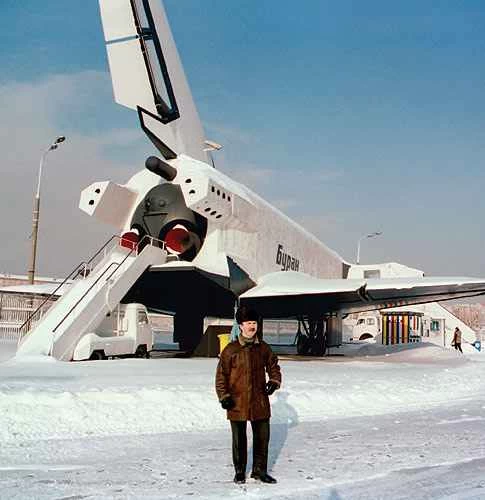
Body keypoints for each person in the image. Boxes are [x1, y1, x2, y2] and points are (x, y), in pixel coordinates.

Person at [215, 306, 282, 484]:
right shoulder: (231, 350)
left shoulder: (263, 348)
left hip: (259, 400)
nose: (252, 326)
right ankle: (239, 471)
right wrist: (224, 396)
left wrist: (274, 381)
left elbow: (274, 366)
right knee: (239, 439)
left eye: (254, 323)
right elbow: (221, 376)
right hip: (237, 401)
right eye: (248, 323)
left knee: (262, 438)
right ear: (241, 326)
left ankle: (260, 471)